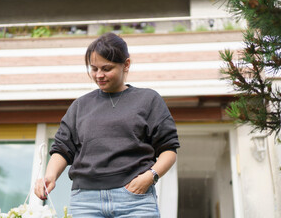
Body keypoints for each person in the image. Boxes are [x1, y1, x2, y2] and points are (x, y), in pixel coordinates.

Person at [34, 32, 180, 217]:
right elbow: (63, 148)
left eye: (106, 68)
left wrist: (150, 177)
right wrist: (50, 176)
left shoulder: (148, 100)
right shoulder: (80, 106)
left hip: (134, 199)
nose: (99, 75)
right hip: (86, 202)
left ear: (126, 64)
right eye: (94, 69)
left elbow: (169, 150)